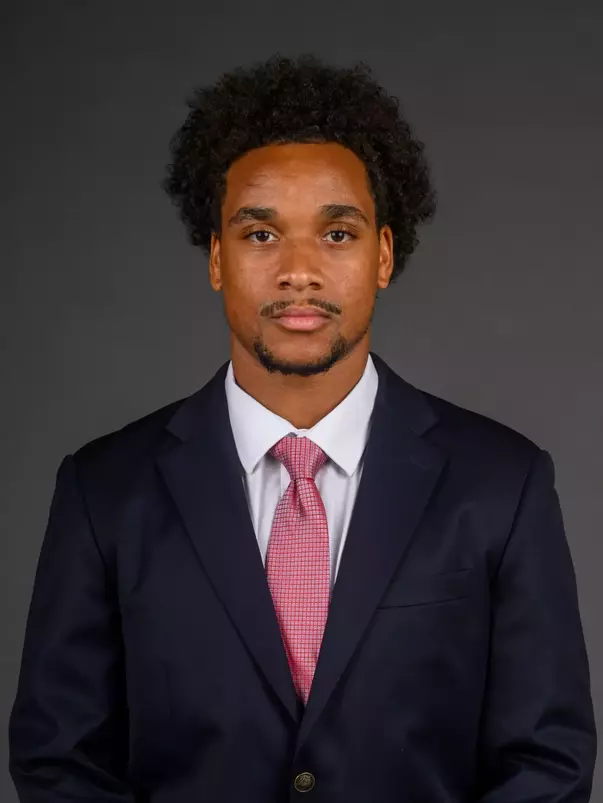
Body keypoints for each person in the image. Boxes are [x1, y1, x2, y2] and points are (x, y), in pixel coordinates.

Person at [8, 53, 597, 803]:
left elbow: (547, 764)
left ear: (383, 254)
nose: (298, 270)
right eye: (260, 235)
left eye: (337, 233)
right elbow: (59, 759)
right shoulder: (103, 490)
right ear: (216, 257)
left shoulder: (501, 482)